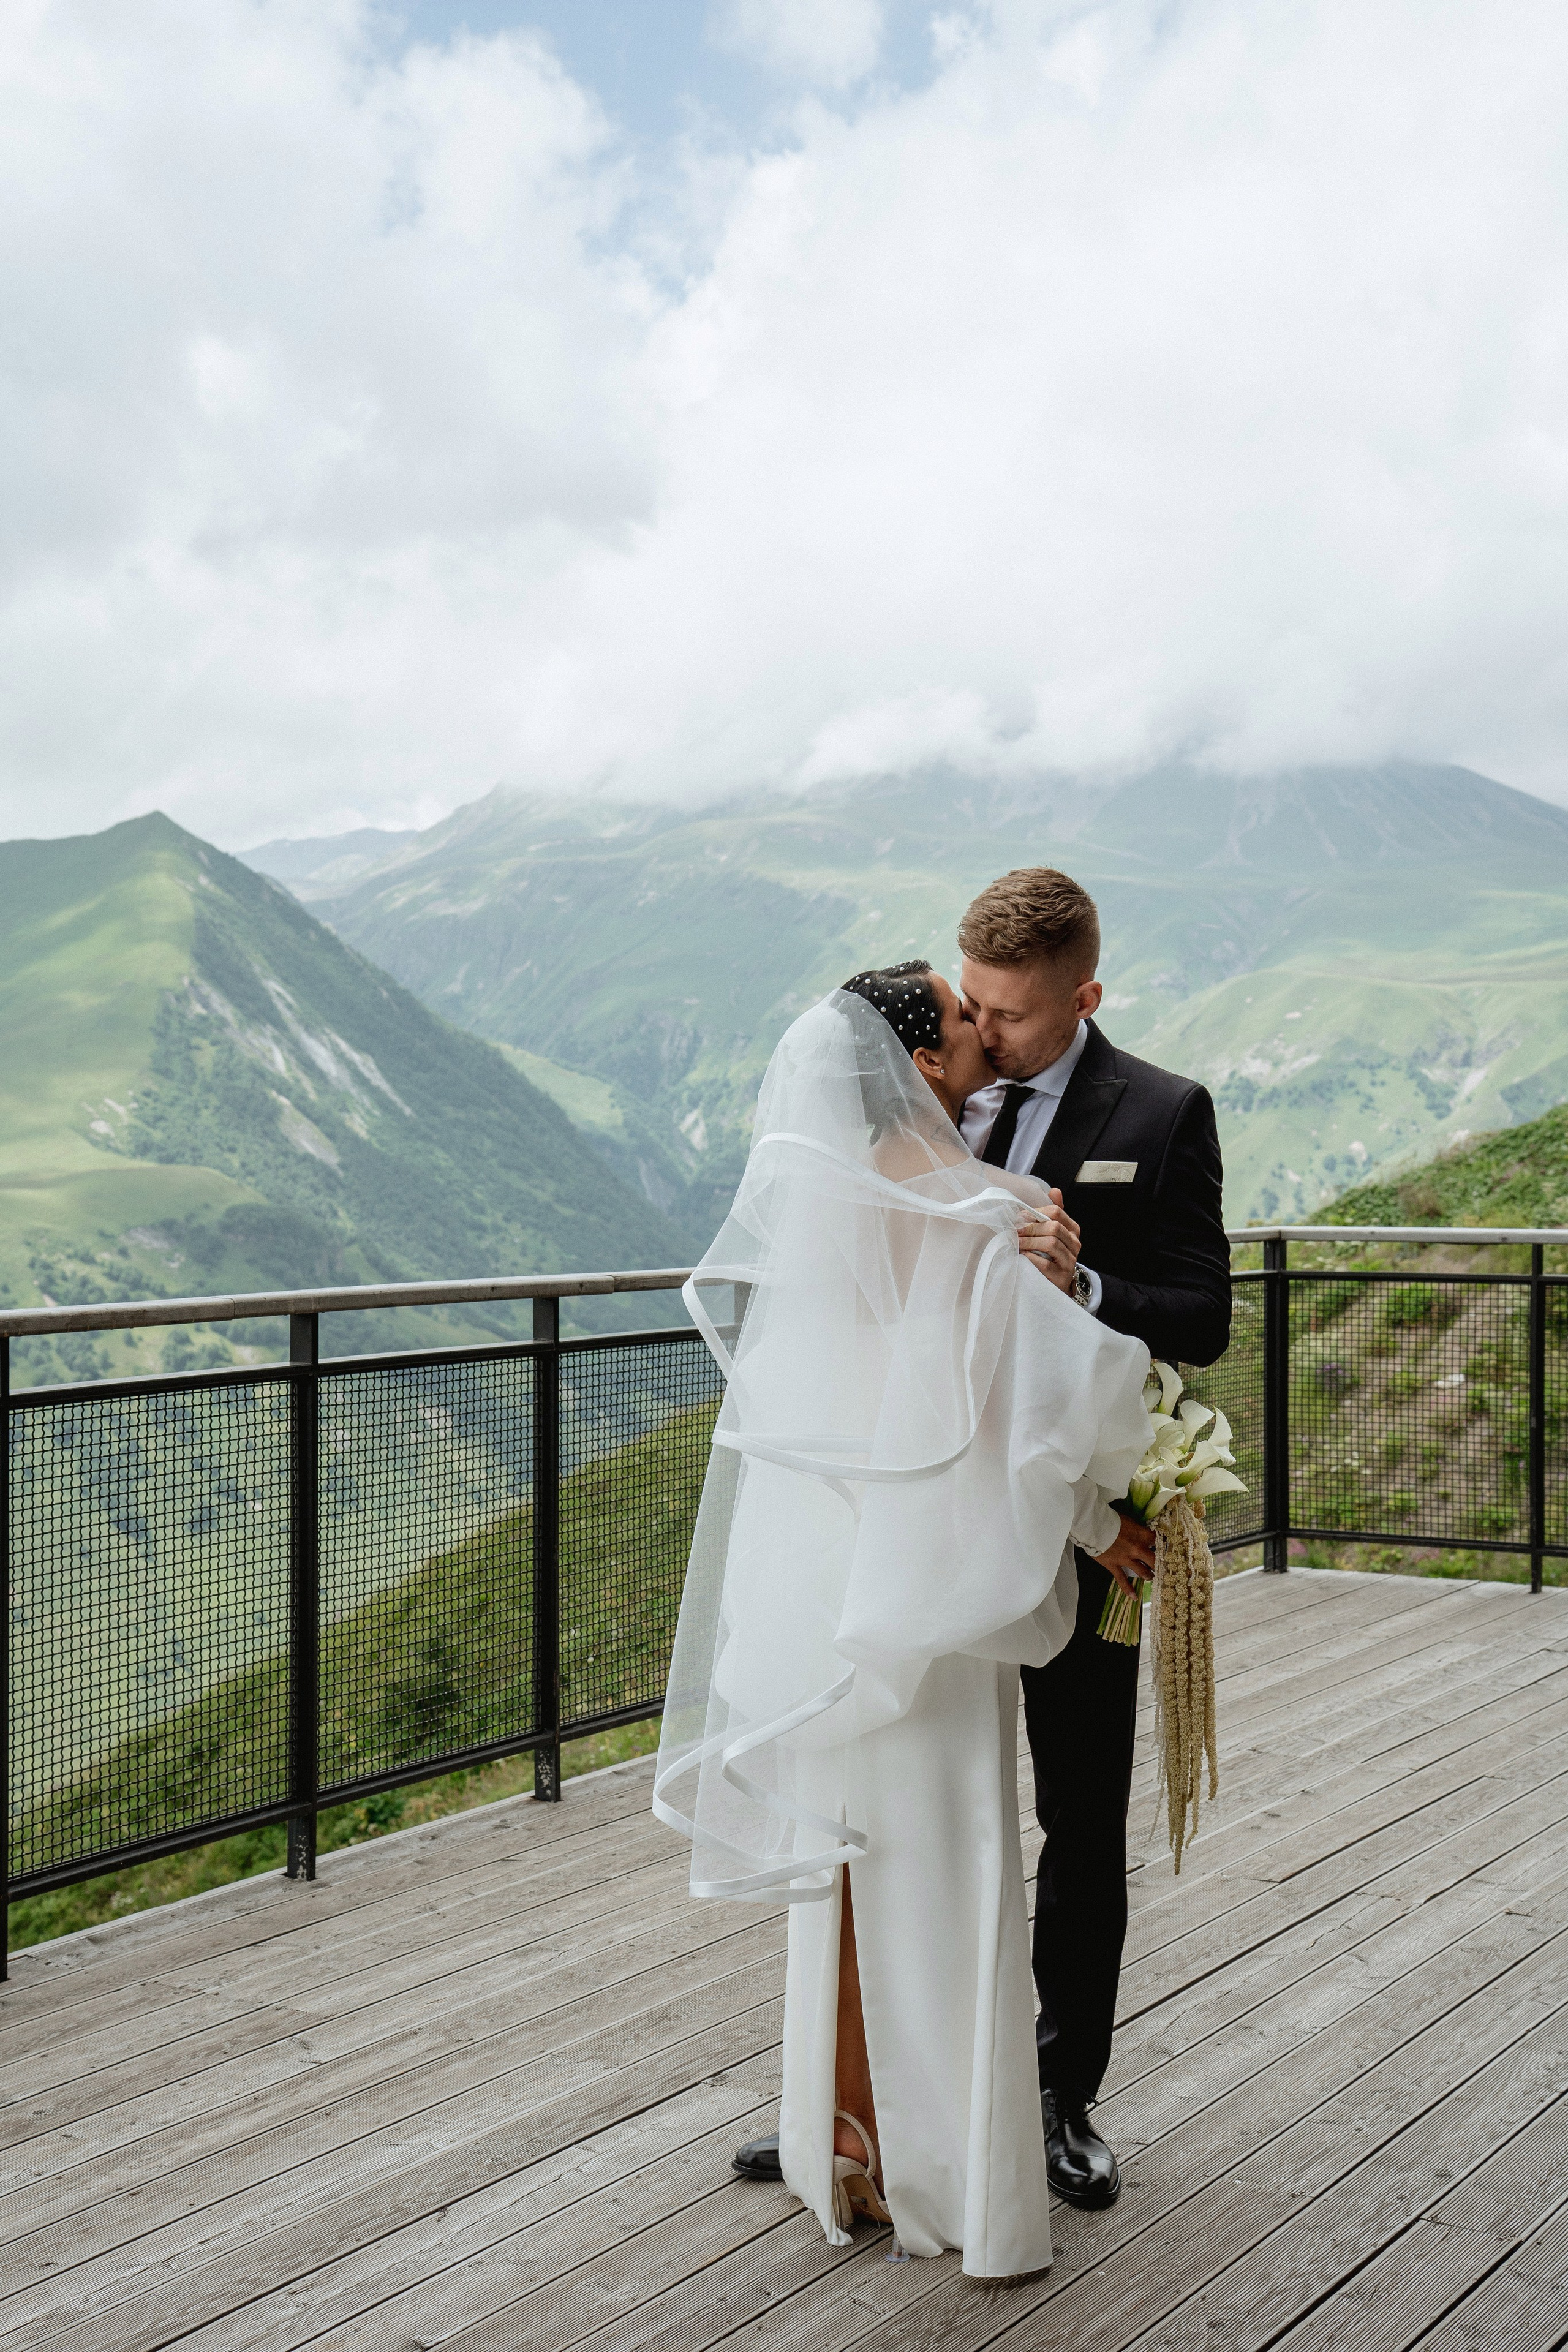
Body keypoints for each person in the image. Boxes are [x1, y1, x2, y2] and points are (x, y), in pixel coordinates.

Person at [656, 962, 1152, 2276]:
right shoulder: (975, 1204)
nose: (978, 1026)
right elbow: (1023, 1413)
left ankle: (847, 2145)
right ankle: (953, 2173)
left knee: (850, 1871)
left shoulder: (828, 1204)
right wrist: (1107, 1520)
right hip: (931, 1598)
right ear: (923, 1063)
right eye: (957, 1013)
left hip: (836, 1589)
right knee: (949, 1861)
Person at [957, 867, 1231, 2209]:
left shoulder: (1163, 1112)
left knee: (1077, 1814)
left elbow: (1201, 1315)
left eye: (1011, 1015)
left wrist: (1090, 1283)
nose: (985, 1034)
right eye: (974, 1006)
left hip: (1099, 1530)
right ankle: (897, 2079)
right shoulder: (932, 1094)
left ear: (1084, 998)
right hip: (947, 1518)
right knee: (930, 1803)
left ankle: (1061, 2094)